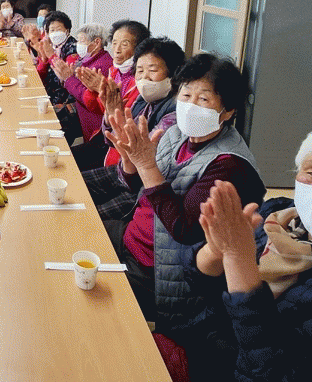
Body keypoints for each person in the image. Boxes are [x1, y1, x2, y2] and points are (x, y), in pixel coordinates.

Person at [103, 53, 266, 332]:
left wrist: (146, 164)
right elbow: (138, 188)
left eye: (203, 99)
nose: (190, 106)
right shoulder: (177, 134)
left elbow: (184, 228)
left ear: (228, 111)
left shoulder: (230, 165)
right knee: (72, 232)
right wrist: (130, 159)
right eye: (186, 95)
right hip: (133, 235)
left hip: (159, 270)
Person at [165, 121, 312, 382]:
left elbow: (275, 372)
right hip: (198, 342)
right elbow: (200, 284)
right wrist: (215, 250)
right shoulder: (276, 214)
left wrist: (238, 262)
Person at [79, 37, 185, 221]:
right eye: (140, 71)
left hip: (140, 187)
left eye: (153, 70)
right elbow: (110, 140)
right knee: (72, 185)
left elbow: (141, 155)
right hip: (122, 171)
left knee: (87, 218)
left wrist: (119, 123)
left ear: (174, 74)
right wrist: (112, 113)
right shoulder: (144, 99)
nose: (144, 78)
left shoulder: (174, 112)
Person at [71, 19, 151, 170]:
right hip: (105, 135)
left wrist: (102, 93)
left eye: (124, 44)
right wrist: (98, 91)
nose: (117, 50)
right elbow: (104, 110)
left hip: (120, 149)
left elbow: (125, 120)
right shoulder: (114, 71)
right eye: (114, 43)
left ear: (139, 48)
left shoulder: (141, 81)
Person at [49, 23, 113, 142]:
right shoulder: (86, 59)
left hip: (95, 126)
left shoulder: (102, 66)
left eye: (82, 41)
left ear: (97, 42)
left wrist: (69, 79)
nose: (78, 44)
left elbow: (90, 101)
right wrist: (67, 77)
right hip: (80, 113)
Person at [35, 10, 80, 143]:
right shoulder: (50, 46)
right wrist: (43, 60)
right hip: (50, 94)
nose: (55, 33)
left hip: (67, 100)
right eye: (52, 30)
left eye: (59, 29)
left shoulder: (73, 47)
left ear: (67, 30)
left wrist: (50, 56)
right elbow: (40, 75)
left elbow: (66, 77)